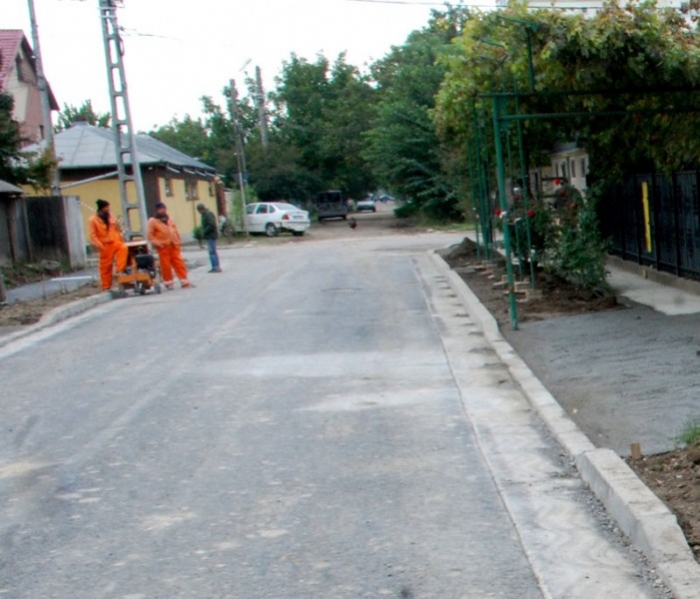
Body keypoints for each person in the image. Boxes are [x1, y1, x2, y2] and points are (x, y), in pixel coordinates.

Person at [147, 202, 191, 289]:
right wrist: (158, 244)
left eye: (164, 208)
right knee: (166, 266)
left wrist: (178, 241)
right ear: (157, 210)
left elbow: (175, 230)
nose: (163, 210)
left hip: (174, 245)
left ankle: (184, 280)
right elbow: (150, 236)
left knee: (179, 263)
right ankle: (168, 282)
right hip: (163, 247)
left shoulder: (169, 219)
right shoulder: (153, 221)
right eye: (161, 209)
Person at [89, 199, 128, 291]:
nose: (108, 209)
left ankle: (119, 270)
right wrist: (99, 245)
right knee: (105, 267)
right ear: (101, 208)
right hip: (104, 245)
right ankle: (106, 286)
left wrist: (121, 238)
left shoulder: (110, 216)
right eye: (106, 207)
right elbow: (93, 235)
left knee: (123, 248)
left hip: (115, 241)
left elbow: (116, 229)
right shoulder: (93, 220)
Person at [197, 203, 221, 272]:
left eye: (199, 211)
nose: (199, 212)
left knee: (212, 252)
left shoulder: (208, 214)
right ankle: (215, 266)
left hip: (211, 235)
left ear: (201, 209)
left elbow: (211, 225)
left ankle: (215, 267)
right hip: (210, 236)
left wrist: (204, 231)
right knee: (212, 252)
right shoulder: (206, 214)